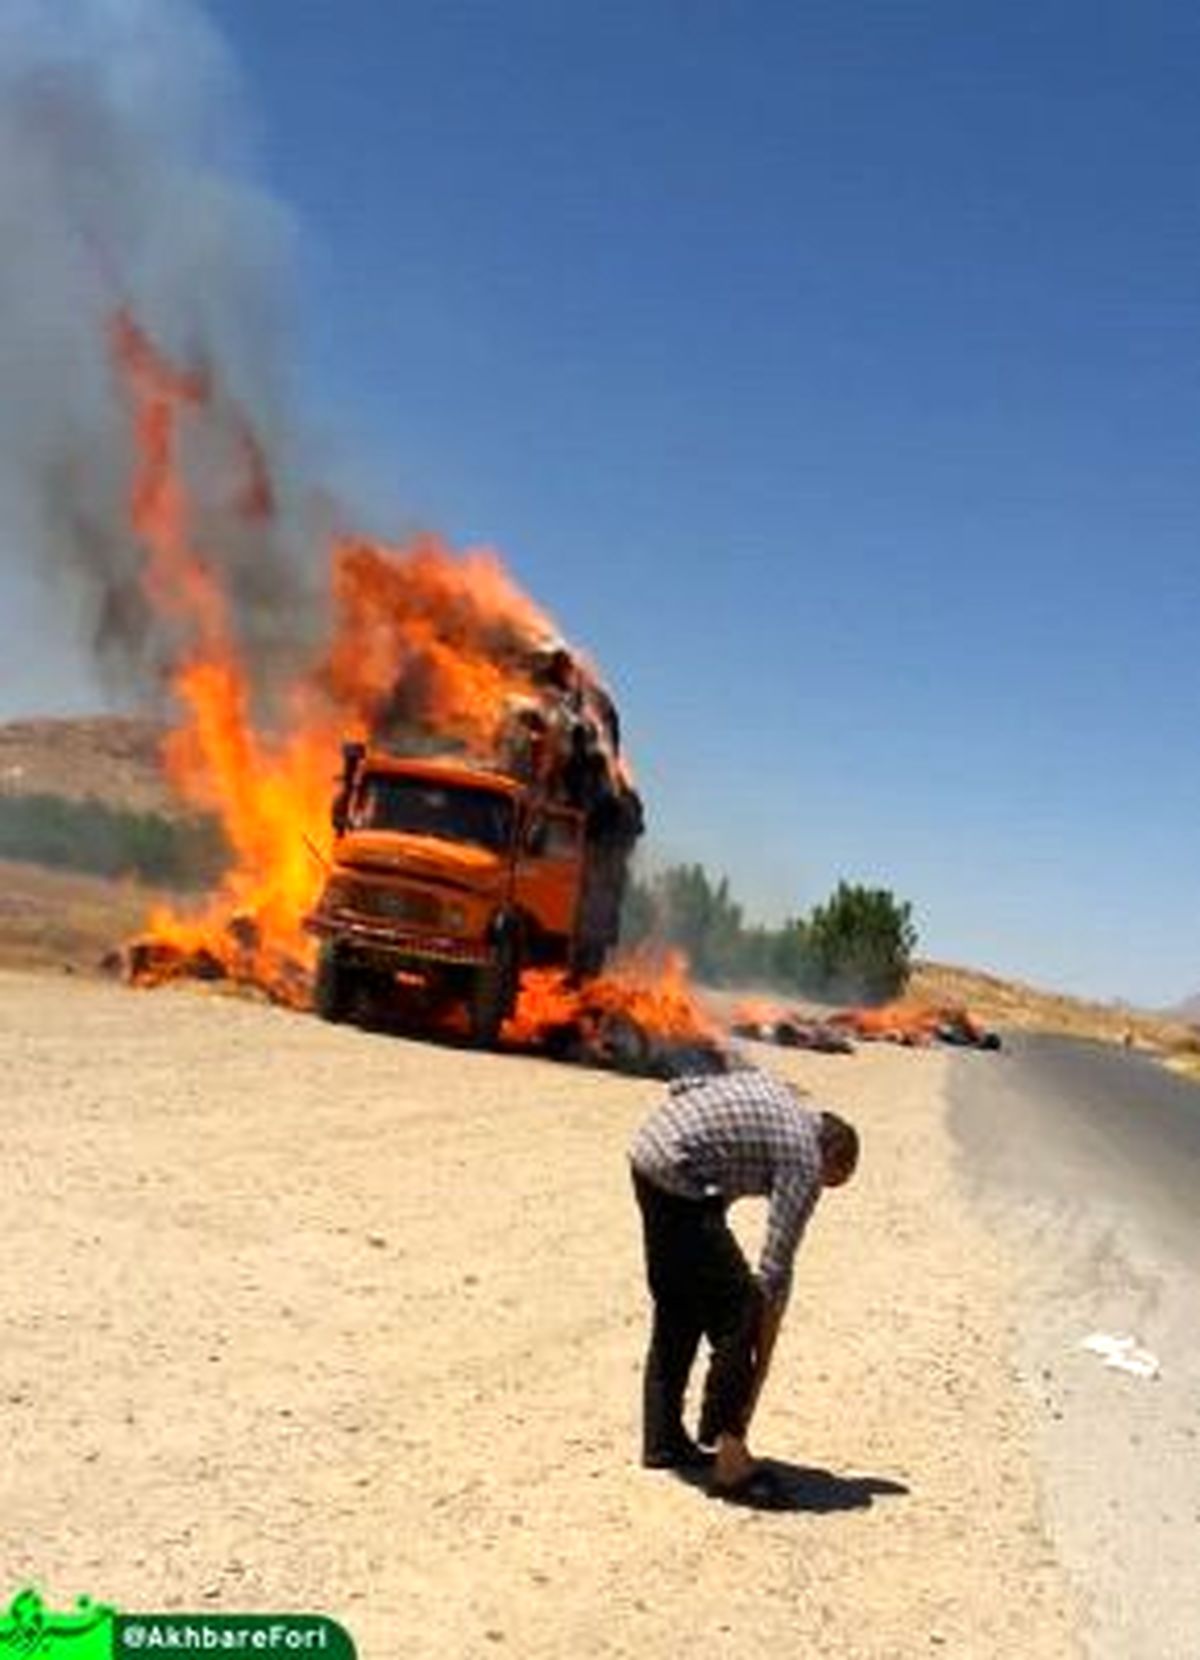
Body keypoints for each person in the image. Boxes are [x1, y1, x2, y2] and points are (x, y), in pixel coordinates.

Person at [629, 1068, 859, 1503]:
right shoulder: (805, 1159)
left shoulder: (780, 1093)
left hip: (649, 1152)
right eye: (833, 1183)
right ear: (833, 1158)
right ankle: (730, 1464)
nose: (822, 1191)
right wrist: (764, 1332)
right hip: (679, 1178)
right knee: (741, 1311)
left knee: (680, 1302)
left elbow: (686, 1086)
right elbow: (775, 1265)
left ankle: (663, 1441)